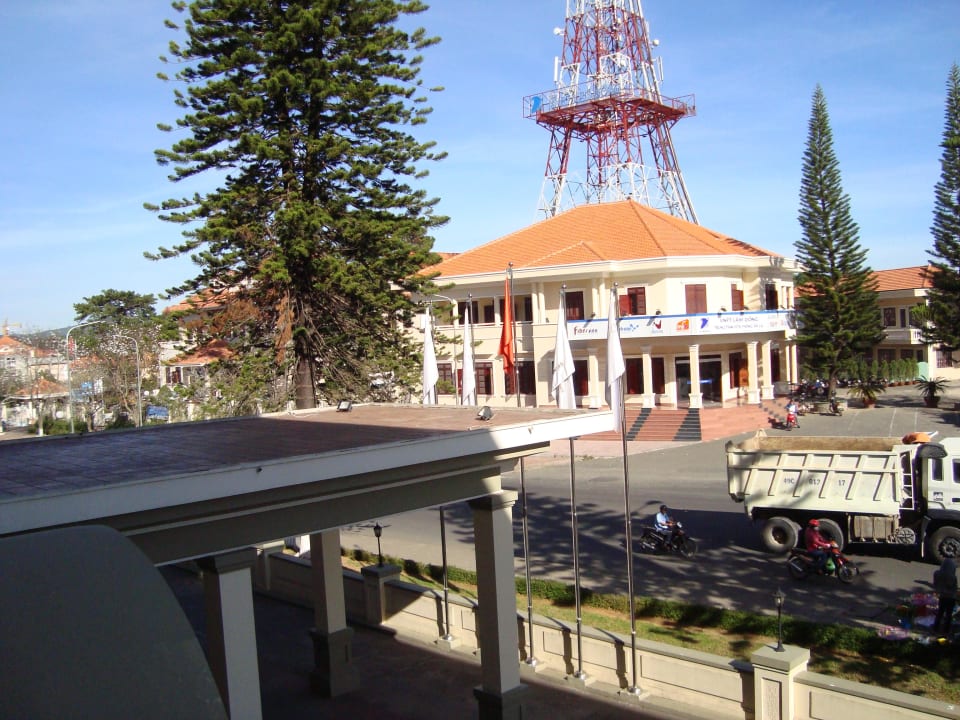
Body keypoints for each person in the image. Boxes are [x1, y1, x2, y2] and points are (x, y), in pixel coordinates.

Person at [933, 557, 957, 639]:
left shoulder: (937, 573)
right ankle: (946, 630)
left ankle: (936, 628)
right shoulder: (952, 577)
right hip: (951, 598)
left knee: (940, 613)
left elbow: (935, 584)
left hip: (942, 596)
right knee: (948, 615)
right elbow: (954, 589)